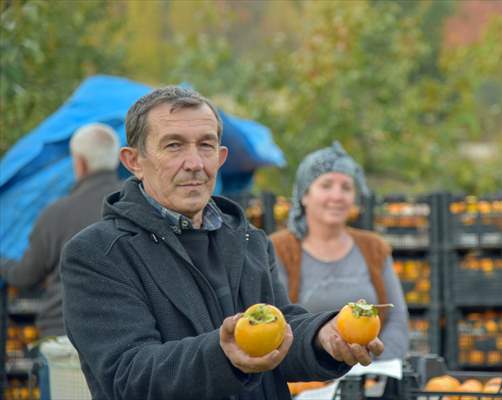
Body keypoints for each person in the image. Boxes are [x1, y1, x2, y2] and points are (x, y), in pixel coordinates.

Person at [60, 86, 384, 400]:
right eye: (174, 146)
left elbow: (280, 330)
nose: (195, 163)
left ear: (221, 156)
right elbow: (128, 375)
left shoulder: (248, 240)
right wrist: (223, 355)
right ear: (134, 161)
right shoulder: (98, 254)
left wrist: (321, 337)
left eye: (206, 145)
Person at [270, 142, 409, 360]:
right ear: (304, 195)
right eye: (326, 185)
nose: (337, 196)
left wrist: (376, 368)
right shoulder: (278, 249)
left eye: (346, 187)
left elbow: (397, 320)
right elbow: (276, 323)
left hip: (367, 375)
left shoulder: (374, 247)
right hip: (304, 380)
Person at [0, 123, 122, 337]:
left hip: (64, 334)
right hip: (126, 332)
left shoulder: (57, 213)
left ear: (80, 164)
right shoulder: (138, 204)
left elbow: (25, 275)